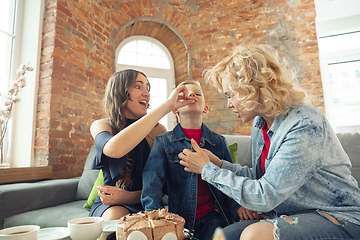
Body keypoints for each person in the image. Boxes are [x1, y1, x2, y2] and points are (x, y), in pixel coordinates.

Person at [178, 44, 360, 240]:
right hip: (293, 214)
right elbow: (262, 177)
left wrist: (207, 170)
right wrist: (218, 163)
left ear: (254, 87)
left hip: (339, 216)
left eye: (231, 95)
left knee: (254, 235)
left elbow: (265, 195)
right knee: (221, 237)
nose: (229, 103)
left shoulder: (305, 123)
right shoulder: (260, 123)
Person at [89, 69, 195, 221]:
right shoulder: (101, 125)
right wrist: (166, 106)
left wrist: (129, 197)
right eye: (138, 87)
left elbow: (163, 184)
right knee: (117, 217)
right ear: (119, 92)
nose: (147, 93)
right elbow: (114, 149)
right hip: (110, 206)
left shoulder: (158, 130)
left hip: (145, 202)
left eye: (147, 88)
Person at [141, 80, 241, 240]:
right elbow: (151, 187)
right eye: (184, 95)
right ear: (174, 109)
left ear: (205, 108)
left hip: (214, 218)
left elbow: (229, 180)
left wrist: (238, 208)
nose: (191, 95)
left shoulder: (219, 142)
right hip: (178, 219)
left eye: (197, 93)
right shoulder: (163, 142)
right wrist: (158, 222)